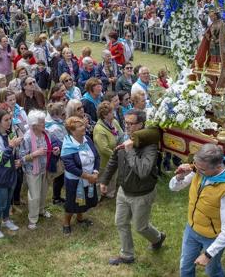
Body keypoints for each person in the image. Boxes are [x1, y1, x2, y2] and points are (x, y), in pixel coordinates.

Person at [99, 109, 165, 265]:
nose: (127, 126)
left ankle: (158, 238)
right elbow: (114, 159)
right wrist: (104, 181)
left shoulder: (150, 145)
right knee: (120, 222)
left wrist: (130, 150)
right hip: (124, 190)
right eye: (125, 123)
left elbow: (143, 171)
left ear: (141, 124)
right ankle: (126, 255)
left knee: (141, 227)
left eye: (131, 124)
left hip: (142, 193)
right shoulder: (123, 137)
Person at [170, 144, 225, 277]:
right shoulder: (200, 169)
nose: (195, 170)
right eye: (195, 165)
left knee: (212, 271)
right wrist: (179, 177)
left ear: (218, 167)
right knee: (185, 267)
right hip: (192, 229)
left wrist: (208, 254)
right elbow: (174, 188)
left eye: (201, 169)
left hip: (212, 238)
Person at [0, 109, 22, 239]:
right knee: (1, 204)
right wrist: (11, 146)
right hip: (0, 178)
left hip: (10, 175)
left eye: (9, 119)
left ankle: (6, 220)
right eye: (6, 120)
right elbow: (0, 161)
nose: (9, 122)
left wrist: (15, 161)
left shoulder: (7, 134)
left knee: (8, 201)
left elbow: (9, 158)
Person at [61, 116, 99, 235]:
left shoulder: (87, 139)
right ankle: (66, 223)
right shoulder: (68, 145)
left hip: (90, 177)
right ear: (72, 131)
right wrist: (88, 176)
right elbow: (70, 167)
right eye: (80, 126)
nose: (84, 127)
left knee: (84, 200)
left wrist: (95, 172)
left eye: (83, 125)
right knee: (72, 202)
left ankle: (80, 218)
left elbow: (96, 156)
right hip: (75, 180)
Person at [19, 110, 53, 230]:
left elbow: (49, 147)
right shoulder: (27, 137)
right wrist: (35, 154)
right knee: (34, 196)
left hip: (44, 168)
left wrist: (54, 150)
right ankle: (32, 219)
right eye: (41, 122)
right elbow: (21, 158)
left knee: (43, 192)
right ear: (34, 125)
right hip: (32, 170)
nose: (44, 124)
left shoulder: (46, 133)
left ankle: (41, 210)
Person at [93, 101, 124, 199]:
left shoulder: (114, 122)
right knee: (101, 177)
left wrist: (121, 146)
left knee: (113, 177)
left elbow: (121, 134)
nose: (114, 113)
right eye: (111, 112)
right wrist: (117, 156)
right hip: (104, 160)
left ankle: (110, 194)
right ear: (105, 115)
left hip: (115, 154)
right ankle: (98, 196)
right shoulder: (99, 129)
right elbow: (103, 149)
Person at [45, 102, 67, 205]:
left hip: (62, 151)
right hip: (58, 154)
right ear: (56, 115)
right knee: (59, 176)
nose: (65, 116)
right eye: (63, 114)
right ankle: (56, 197)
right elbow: (61, 141)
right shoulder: (55, 127)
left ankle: (57, 196)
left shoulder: (58, 123)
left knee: (61, 176)